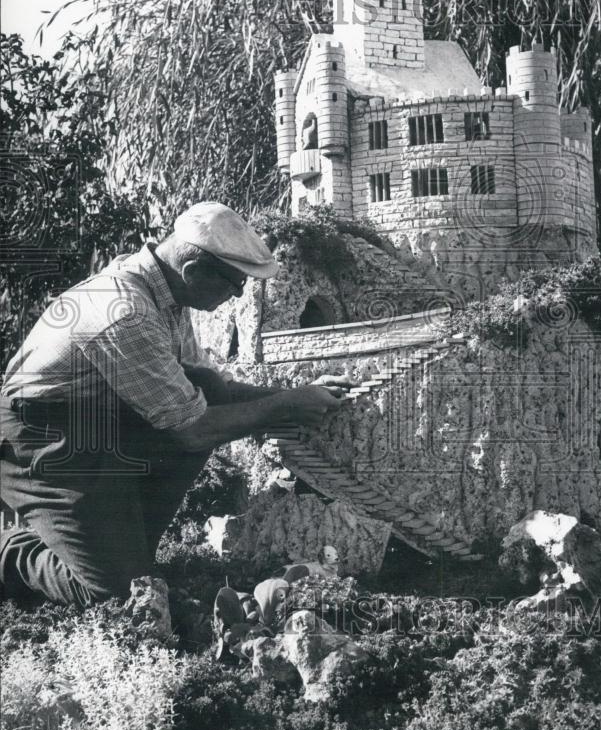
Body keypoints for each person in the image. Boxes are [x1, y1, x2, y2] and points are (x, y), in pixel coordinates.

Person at [0, 202, 349, 607]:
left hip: (97, 428)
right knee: (117, 595)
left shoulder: (164, 292)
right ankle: (13, 554)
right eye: (235, 283)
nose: (237, 295)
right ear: (194, 272)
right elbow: (193, 429)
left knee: (206, 385)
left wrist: (299, 394)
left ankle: (121, 550)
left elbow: (210, 391)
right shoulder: (125, 312)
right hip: (41, 438)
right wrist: (287, 405)